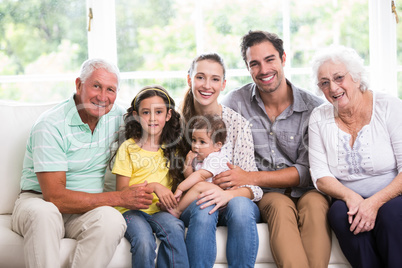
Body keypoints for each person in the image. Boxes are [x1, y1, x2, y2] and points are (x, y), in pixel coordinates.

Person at [11, 58, 154, 268]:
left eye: (110, 90)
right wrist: (121, 197)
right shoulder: (51, 125)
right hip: (39, 201)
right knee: (46, 213)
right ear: (79, 85)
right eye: (96, 86)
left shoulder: (117, 117)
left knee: (112, 220)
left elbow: (156, 135)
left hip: (86, 210)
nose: (103, 97)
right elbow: (55, 197)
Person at [217, 30, 331, 268]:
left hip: (308, 190)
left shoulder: (314, 108)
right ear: (248, 69)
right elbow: (211, 136)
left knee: (315, 205)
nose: (263, 70)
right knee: (280, 205)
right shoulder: (234, 104)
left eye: (270, 60)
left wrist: (249, 176)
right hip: (267, 196)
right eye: (254, 64)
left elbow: (306, 171)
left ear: (283, 58)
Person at [309, 45, 402, 268]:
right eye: (324, 82)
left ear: (357, 78)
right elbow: (320, 175)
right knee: (341, 213)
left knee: (390, 215)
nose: (333, 87)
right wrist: (352, 198)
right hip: (349, 195)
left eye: (339, 78)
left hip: (393, 195)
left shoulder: (388, 106)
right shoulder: (319, 117)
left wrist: (374, 202)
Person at [180, 52, 262, 268]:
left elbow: (256, 188)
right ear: (189, 79)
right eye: (200, 77)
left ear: (223, 84)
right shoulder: (177, 125)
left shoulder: (237, 124)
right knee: (204, 206)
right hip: (196, 201)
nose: (207, 85)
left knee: (241, 207)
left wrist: (226, 194)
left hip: (235, 202)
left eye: (215, 79)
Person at [111, 85, 189, 267]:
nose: (152, 118)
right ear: (136, 116)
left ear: (168, 115)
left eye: (159, 112)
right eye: (146, 112)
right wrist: (154, 186)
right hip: (130, 211)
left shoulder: (174, 148)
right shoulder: (128, 148)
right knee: (145, 241)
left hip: (159, 211)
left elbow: (186, 182)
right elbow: (121, 191)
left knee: (175, 230)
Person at [169, 114, 261, 218]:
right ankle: (174, 205)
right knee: (196, 187)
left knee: (200, 186)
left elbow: (200, 176)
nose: (196, 145)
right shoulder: (200, 158)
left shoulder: (215, 158)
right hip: (208, 196)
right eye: (194, 140)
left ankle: (177, 210)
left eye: (202, 142)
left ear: (217, 146)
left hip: (221, 196)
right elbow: (190, 178)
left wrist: (180, 188)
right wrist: (188, 164)